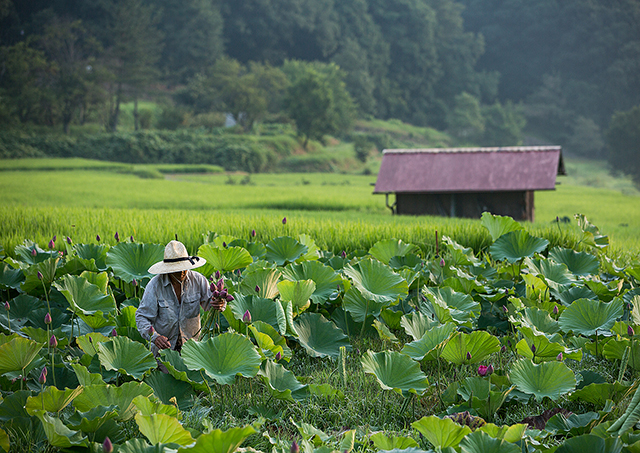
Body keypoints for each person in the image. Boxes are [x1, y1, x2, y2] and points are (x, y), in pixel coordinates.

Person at [136, 240, 226, 356]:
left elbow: (211, 303)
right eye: (178, 269)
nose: (183, 272)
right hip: (164, 351)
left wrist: (220, 303)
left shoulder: (198, 280)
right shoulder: (155, 285)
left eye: (185, 267)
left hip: (192, 349)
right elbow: (142, 317)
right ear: (168, 269)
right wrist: (155, 337)